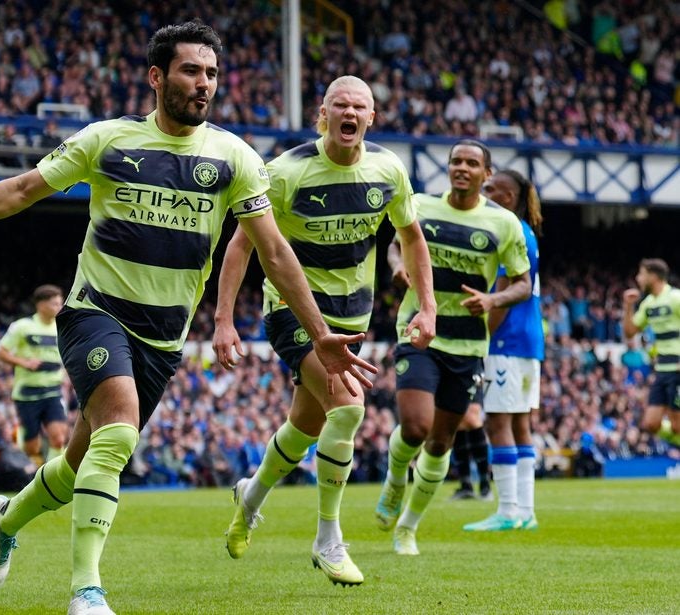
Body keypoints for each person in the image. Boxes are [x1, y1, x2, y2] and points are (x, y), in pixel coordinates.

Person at [0, 22, 376, 615]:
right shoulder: (108, 141)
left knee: (81, 462)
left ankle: (6, 518)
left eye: (212, 73)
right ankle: (86, 591)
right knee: (117, 433)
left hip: (165, 339)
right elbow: (22, 189)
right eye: (191, 70)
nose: (204, 84)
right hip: (96, 312)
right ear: (157, 76)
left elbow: (274, 251)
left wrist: (320, 334)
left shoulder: (234, 156)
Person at [213, 75, 435, 586]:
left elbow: (412, 237)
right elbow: (242, 245)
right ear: (324, 113)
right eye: (341, 104)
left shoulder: (388, 169)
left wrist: (427, 306)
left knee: (306, 428)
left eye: (360, 105)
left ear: (372, 117)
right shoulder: (287, 172)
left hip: (353, 319)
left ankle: (250, 497)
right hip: (292, 313)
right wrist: (224, 319)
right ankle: (328, 540)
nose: (350, 113)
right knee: (351, 406)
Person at [373, 140, 531, 556]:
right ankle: (393, 483)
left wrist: (493, 300)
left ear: (486, 174)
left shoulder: (503, 224)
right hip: (419, 330)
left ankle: (407, 527)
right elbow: (393, 245)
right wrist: (397, 266)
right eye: (456, 161)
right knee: (416, 427)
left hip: (468, 343)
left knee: (441, 442)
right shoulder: (420, 205)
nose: (462, 167)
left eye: (472, 163)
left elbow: (523, 282)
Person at [462, 168, 545, 532]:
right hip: (530, 340)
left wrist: (481, 339)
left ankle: (509, 510)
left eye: (492, 188)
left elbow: (503, 296)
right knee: (520, 423)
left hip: (506, 340)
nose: (485, 191)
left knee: (498, 422)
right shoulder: (528, 233)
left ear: (508, 197)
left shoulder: (509, 233)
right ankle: (525, 511)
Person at [0, 284, 69, 466]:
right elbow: (1, 353)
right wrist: (24, 363)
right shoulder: (22, 326)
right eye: (54, 304)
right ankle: (21, 435)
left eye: (60, 303)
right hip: (27, 393)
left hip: (53, 390)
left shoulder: (63, 327)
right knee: (32, 447)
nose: (59, 308)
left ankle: (52, 477)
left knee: (59, 438)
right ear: (40, 304)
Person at [622, 258, 680, 448]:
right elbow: (630, 332)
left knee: (677, 424)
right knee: (651, 423)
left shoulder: (675, 298)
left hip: (677, 368)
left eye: (641, 274)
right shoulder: (648, 304)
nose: (638, 279)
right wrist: (628, 306)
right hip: (662, 370)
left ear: (653, 277)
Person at [448, 398, 492, 501]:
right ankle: (466, 485)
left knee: (472, 417)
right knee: (458, 419)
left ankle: (485, 485)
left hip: (472, 381)